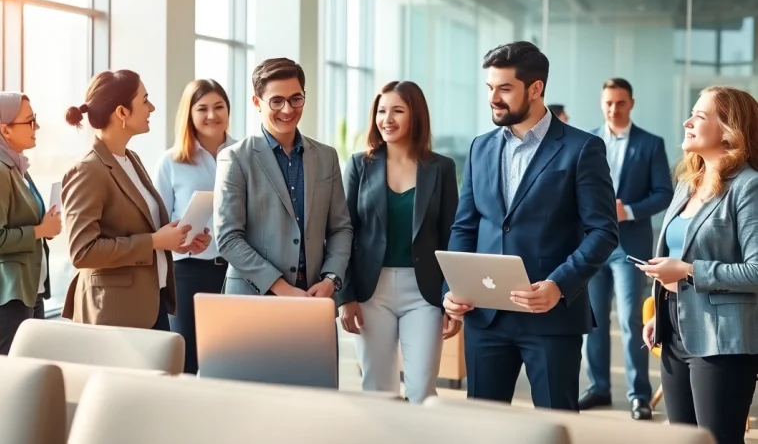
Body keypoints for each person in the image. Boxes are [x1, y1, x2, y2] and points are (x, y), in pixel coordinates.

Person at [443, 41, 619, 411]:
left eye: (505, 88)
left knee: (555, 425)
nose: (494, 98)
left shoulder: (582, 148)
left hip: (551, 318)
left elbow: (603, 232)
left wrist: (558, 285)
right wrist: (453, 288)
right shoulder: (480, 147)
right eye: (490, 88)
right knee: (483, 430)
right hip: (485, 317)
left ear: (536, 88)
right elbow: (465, 226)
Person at [641, 86, 758, 444]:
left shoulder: (748, 186)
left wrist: (689, 271)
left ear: (729, 130)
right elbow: (674, 254)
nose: (686, 122)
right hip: (674, 332)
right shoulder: (686, 184)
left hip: (722, 342)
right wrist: (658, 313)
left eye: (699, 116)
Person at [339, 81, 460, 403]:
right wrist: (345, 295)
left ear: (415, 115)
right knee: (378, 390)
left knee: (421, 388)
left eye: (397, 111)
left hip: (424, 293)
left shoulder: (441, 168)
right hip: (370, 292)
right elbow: (342, 232)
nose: (386, 119)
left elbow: (452, 235)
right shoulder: (359, 165)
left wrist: (452, 296)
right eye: (381, 111)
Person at [61, 70, 210, 330]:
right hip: (115, 313)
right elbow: (82, 251)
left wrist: (176, 242)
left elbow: (140, 230)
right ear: (122, 112)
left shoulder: (131, 160)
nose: (151, 107)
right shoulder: (87, 170)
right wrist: (154, 241)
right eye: (145, 100)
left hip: (152, 303)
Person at [214, 57, 352, 299]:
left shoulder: (326, 157)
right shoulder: (235, 158)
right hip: (253, 300)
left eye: (296, 99)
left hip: (314, 295)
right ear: (257, 102)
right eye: (276, 101)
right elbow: (228, 238)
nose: (288, 110)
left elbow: (340, 228)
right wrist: (281, 288)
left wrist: (331, 279)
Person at [581, 78, 672, 420]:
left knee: (633, 321)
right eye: (608, 103)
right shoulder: (587, 141)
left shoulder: (650, 144)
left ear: (631, 103)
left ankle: (639, 395)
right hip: (592, 245)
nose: (613, 109)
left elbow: (664, 192)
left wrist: (629, 210)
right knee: (594, 322)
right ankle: (599, 387)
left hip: (629, 246)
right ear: (601, 103)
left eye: (620, 103)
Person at [0, 93, 60, 354]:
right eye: (30, 121)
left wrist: (45, 226)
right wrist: (40, 230)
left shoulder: (14, 166)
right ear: (4, 129)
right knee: (11, 377)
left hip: (26, 290)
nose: (37, 128)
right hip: (5, 296)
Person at [155, 79, 236, 373]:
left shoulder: (245, 154)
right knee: (185, 359)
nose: (212, 115)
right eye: (202, 108)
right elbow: (158, 220)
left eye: (219, 107)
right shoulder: (171, 161)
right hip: (187, 272)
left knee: (229, 358)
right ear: (189, 114)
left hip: (236, 271)